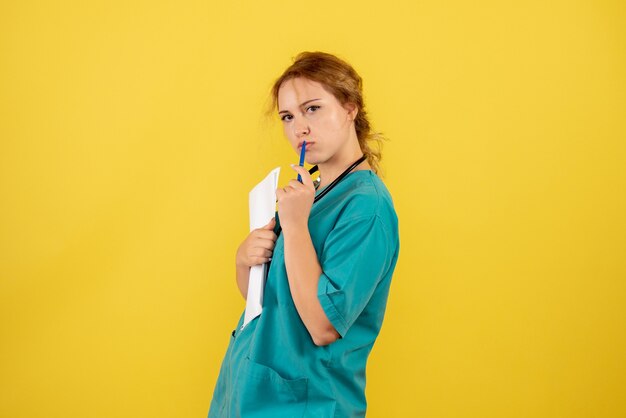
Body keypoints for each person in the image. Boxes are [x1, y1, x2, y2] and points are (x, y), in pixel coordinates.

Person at [208, 51, 400, 418]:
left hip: (303, 404)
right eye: (288, 116)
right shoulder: (308, 191)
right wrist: (243, 259)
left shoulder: (367, 209)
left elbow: (323, 325)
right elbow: (265, 300)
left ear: (350, 109)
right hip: (247, 392)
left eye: (313, 108)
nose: (300, 128)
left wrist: (295, 227)